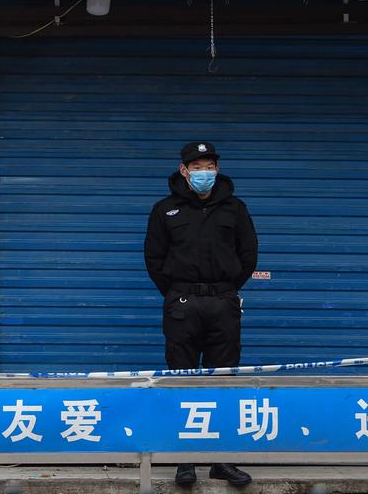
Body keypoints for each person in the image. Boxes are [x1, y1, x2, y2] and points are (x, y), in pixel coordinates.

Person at [144, 142, 258, 488]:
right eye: (196, 167)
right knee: (182, 379)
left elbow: (248, 255)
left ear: (217, 169)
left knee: (222, 382)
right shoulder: (165, 210)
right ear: (184, 170)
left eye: (208, 166)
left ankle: (221, 460)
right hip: (182, 303)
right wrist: (178, 293)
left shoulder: (235, 209)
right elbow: (154, 259)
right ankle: (185, 461)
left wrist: (225, 290)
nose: (203, 173)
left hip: (223, 302)